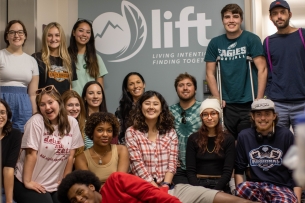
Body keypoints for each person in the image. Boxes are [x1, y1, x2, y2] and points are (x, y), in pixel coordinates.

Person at [126, 91, 256, 203]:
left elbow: (172, 162)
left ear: (161, 108)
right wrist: (156, 189)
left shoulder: (170, 132)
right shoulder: (132, 132)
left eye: (155, 104)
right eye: (147, 103)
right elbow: (137, 164)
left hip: (169, 187)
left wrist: (165, 185)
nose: (151, 107)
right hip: (144, 187)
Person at [205, 4, 267, 139]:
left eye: (235, 16)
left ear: (241, 20)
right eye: (227, 17)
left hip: (249, 101)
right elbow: (210, 73)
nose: (231, 20)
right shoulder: (215, 43)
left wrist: (259, 99)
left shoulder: (252, 39)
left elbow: (262, 68)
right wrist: (217, 98)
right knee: (228, 141)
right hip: (227, 104)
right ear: (222, 20)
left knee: (247, 139)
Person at [13, 85, 84, 203]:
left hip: (55, 185)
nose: (47, 107)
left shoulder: (72, 123)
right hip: (28, 181)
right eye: (42, 104)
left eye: (50, 102)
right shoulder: (35, 122)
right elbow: (31, 154)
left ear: (59, 102)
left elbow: (71, 155)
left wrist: (65, 179)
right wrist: (27, 182)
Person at [235, 98, 302, 203]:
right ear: (252, 116)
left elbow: (295, 170)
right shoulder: (244, 136)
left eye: (267, 114)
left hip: (281, 188)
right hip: (256, 187)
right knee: (241, 188)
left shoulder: (286, 135)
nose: (263, 118)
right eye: (258, 114)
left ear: (274, 116)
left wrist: (297, 199)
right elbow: (239, 171)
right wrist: (239, 198)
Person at [263, 0, 305, 131]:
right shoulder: (268, 42)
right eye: (275, 14)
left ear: (290, 14)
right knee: (280, 145)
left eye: (282, 12)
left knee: (302, 145)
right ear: (271, 18)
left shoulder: (302, 34)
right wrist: (268, 96)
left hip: (302, 102)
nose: (279, 16)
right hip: (278, 103)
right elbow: (268, 71)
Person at [186, 98, 235, 193]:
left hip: (221, 185)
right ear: (201, 117)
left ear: (219, 115)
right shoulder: (193, 139)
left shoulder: (228, 139)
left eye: (213, 113)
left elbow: (228, 172)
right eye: (205, 114)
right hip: (198, 185)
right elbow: (190, 171)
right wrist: (200, 192)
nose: (209, 117)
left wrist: (214, 193)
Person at [0, 20, 39, 132]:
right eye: (12, 32)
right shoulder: (1, 55)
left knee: (22, 138)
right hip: (2, 102)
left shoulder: (32, 61)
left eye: (20, 32)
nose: (16, 35)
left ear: (25, 36)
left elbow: (32, 94)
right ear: (7, 36)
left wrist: (35, 114)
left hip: (24, 105)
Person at [57, 170, 182, 203]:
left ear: (91, 187)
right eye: (74, 200)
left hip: (171, 196)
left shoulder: (115, 181)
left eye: (79, 192)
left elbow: (152, 194)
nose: (78, 199)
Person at [74, 112, 129, 183]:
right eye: (100, 130)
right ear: (91, 131)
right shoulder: (81, 158)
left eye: (109, 130)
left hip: (117, 192)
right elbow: (89, 187)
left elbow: (120, 181)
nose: (105, 134)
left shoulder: (121, 150)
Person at [169, 72, 202, 184]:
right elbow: (162, 138)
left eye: (189, 84)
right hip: (178, 169)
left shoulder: (204, 109)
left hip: (201, 165)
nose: (185, 88)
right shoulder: (169, 112)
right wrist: (171, 159)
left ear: (195, 89)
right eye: (181, 85)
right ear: (176, 90)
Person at [32, 22, 77, 95]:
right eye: (49, 35)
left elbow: (70, 87)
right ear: (45, 37)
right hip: (45, 104)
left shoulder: (69, 60)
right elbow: (33, 89)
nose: (53, 39)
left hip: (63, 104)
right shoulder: (37, 58)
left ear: (61, 37)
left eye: (57, 35)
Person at [69, 19, 108, 96]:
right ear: (74, 32)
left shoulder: (96, 58)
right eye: (81, 30)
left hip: (90, 103)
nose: (84, 34)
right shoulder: (66, 57)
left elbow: (100, 88)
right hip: (73, 104)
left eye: (88, 32)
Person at [0, 99, 22, 203]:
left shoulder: (15, 135)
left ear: (8, 115)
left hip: (4, 190)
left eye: (2, 112)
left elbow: (9, 169)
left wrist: (9, 201)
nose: (0, 116)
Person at [115, 72, 145, 144]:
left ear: (144, 84)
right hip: (128, 148)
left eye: (138, 82)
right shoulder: (121, 110)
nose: (135, 86)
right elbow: (119, 134)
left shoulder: (152, 107)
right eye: (131, 84)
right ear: (127, 89)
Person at [82, 81, 107, 149]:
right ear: (85, 97)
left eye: (98, 93)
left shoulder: (109, 118)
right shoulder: (79, 118)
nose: (95, 96)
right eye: (91, 93)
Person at [62, 90, 86, 157]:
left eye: (77, 105)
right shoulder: (56, 125)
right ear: (62, 106)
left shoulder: (85, 125)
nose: (75, 109)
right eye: (70, 105)